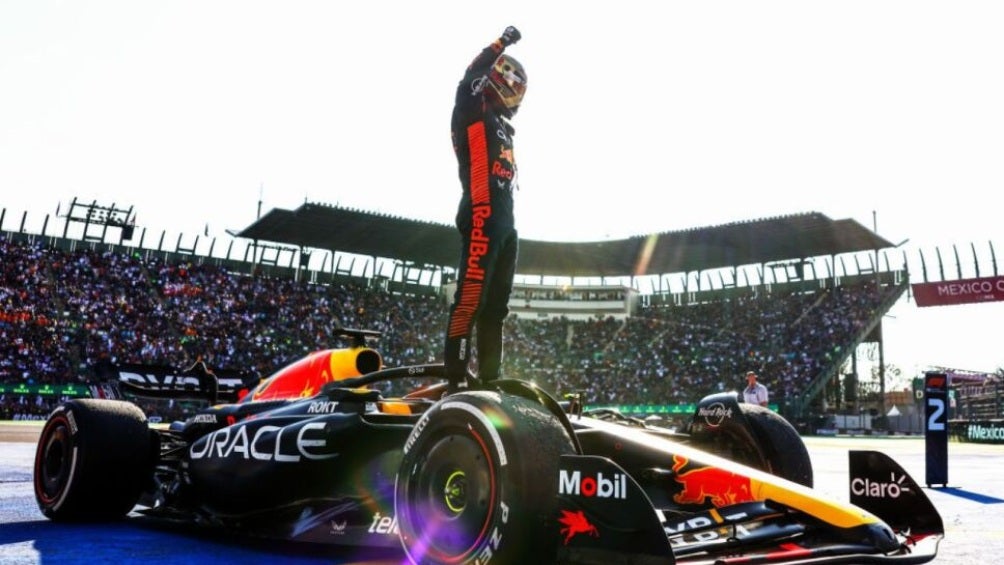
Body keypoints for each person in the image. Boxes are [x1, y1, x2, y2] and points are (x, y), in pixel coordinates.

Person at [444, 25, 526, 392]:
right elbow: (470, 76)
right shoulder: (471, 108)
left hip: (506, 224)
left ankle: (492, 378)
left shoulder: (503, 127)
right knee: (470, 300)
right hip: (481, 213)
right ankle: (456, 377)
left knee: (496, 309)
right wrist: (501, 43)